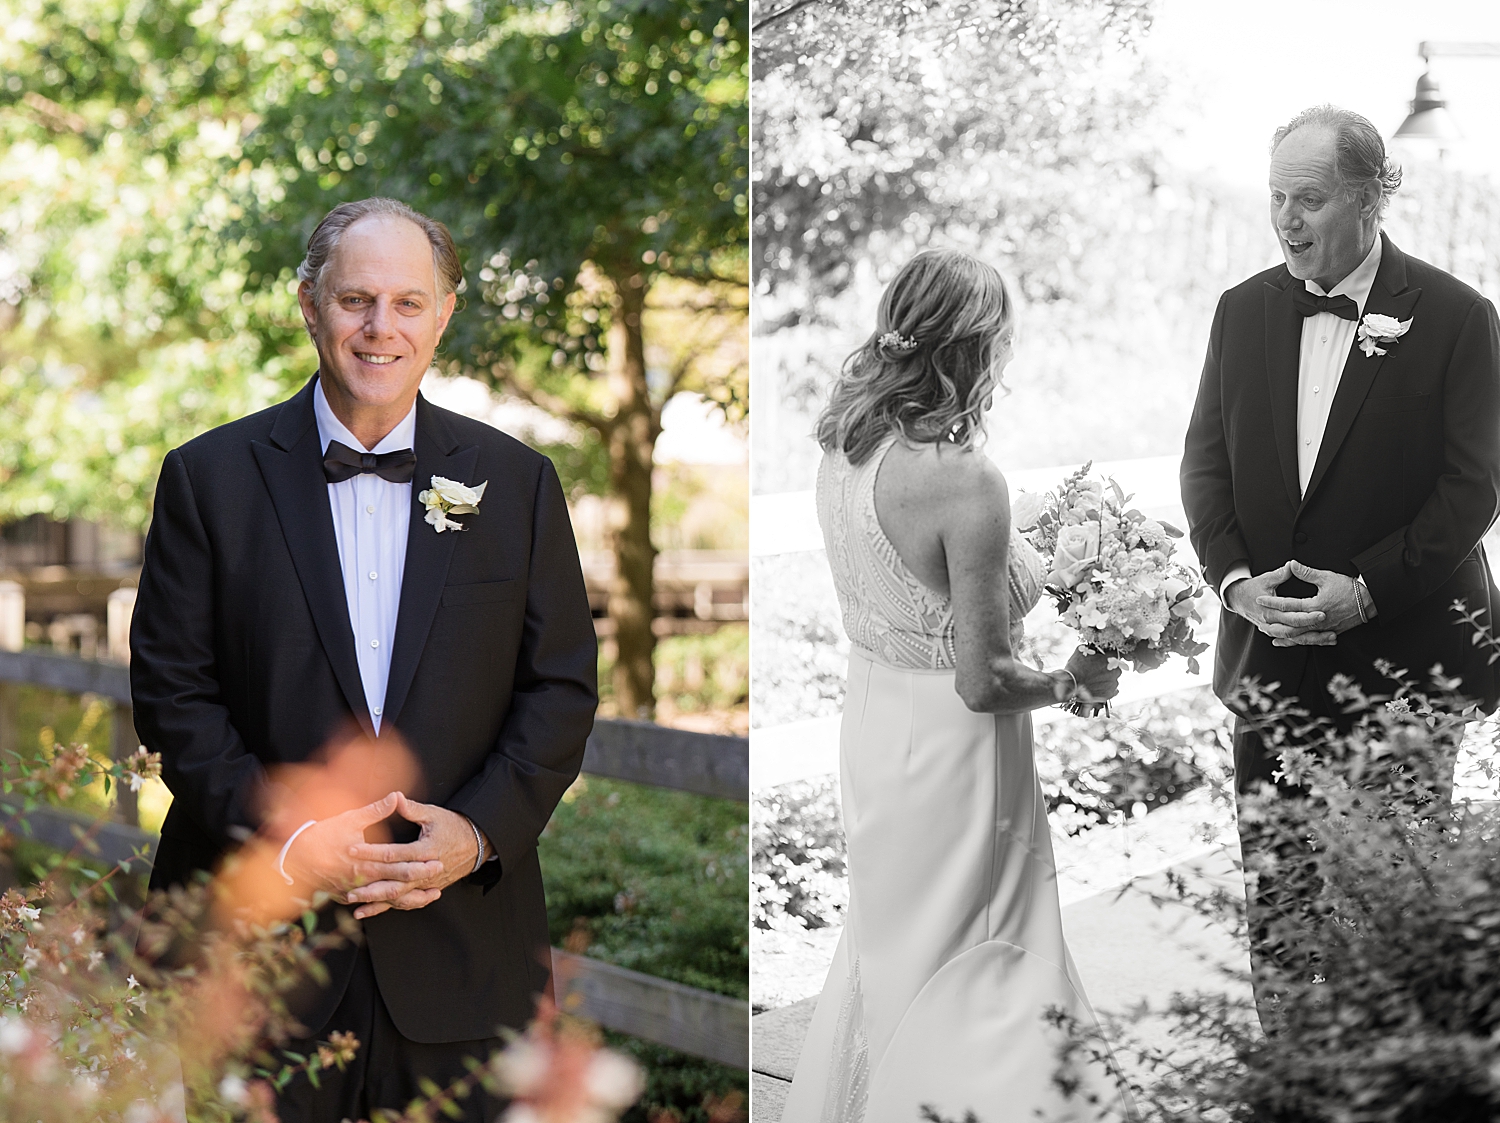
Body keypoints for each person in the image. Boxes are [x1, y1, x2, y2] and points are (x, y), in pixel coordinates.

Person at [129, 197, 598, 1120]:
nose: (381, 328)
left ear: (446, 311)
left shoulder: (518, 485)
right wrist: (295, 840)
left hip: (464, 956)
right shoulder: (208, 478)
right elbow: (175, 699)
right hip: (257, 962)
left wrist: (475, 834)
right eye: (356, 300)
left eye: (408, 302)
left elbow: (560, 690)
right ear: (309, 303)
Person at [781, 248, 1132, 1123]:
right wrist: (1076, 678)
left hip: (874, 726)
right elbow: (985, 679)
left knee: (896, 951)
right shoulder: (965, 480)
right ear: (980, 346)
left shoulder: (844, 445)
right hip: (959, 753)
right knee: (990, 955)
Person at [1181, 106, 1500, 1012]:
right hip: (1270, 662)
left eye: (1309, 199)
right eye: (1277, 197)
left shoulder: (1459, 316)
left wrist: (1366, 593)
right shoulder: (1239, 311)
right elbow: (1204, 464)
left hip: (1403, 669)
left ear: (1370, 196)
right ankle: (1281, 1082)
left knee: (1391, 912)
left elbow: (1473, 489)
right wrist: (1236, 584)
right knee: (1278, 906)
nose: (1287, 219)